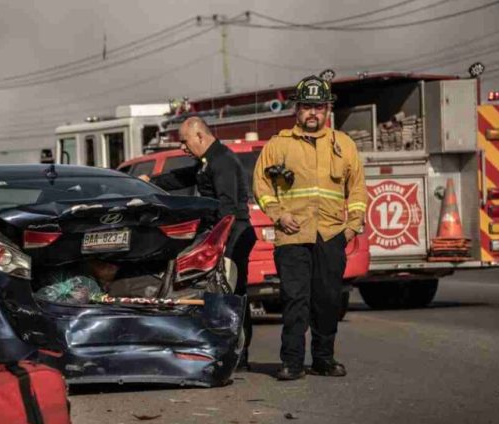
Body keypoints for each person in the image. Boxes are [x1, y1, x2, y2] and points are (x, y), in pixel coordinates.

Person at [252, 75, 367, 381]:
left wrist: (352, 228)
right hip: (292, 236)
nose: (313, 113)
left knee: (328, 300)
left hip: (331, 234)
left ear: (328, 109)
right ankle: (291, 362)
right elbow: (261, 185)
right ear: (297, 110)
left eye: (319, 107)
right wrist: (277, 215)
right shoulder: (279, 145)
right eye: (306, 107)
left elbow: (356, 189)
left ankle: (323, 360)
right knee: (295, 300)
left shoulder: (344, 146)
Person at [141, 116, 256, 369]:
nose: (183, 147)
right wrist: (152, 182)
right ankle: (224, 348)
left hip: (233, 236)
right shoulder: (208, 161)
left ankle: (239, 352)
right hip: (225, 235)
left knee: (232, 296)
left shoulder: (222, 161)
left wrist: (216, 242)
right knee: (220, 294)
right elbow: (184, 177)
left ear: (200, 136)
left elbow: (225, 209)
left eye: (185, 141)